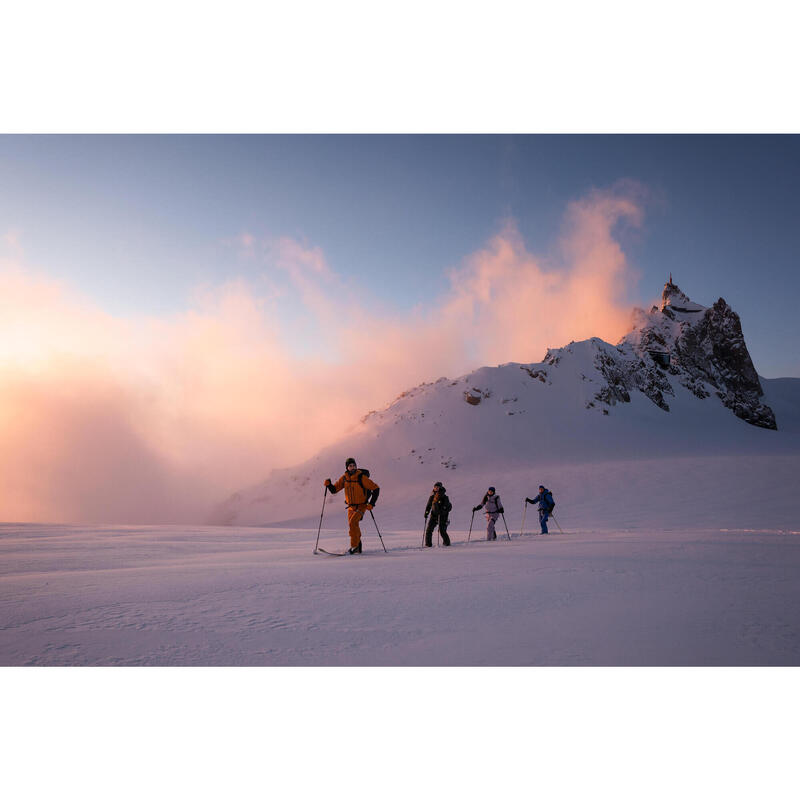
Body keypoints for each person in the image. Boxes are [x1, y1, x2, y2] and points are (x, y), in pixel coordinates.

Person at [324, 458, 380, 554]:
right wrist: (329, 485)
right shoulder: (344, 478)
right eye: (350, 466)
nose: (352, 467)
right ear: (347, 467)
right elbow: (334, 490)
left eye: (354, 465)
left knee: (353, 523)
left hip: (361, 505)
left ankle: (354, 547)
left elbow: (376, 488)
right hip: (350, 507)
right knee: (353, 527)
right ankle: (358, 547)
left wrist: (371, 503)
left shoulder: (361, 477)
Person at [424, 482, 452, 547]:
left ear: (440, 488)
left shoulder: (444, 497)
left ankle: (447, 543)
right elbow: (428, 506)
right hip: (433, 515)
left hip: (442, 516)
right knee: (429, 530)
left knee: (442, 531)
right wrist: (426, 513)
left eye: (437, 487)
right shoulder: (432, 497)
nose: (436, 488)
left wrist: (442, 510)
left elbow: (448, 507)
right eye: (435, 487)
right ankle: (428, 544)